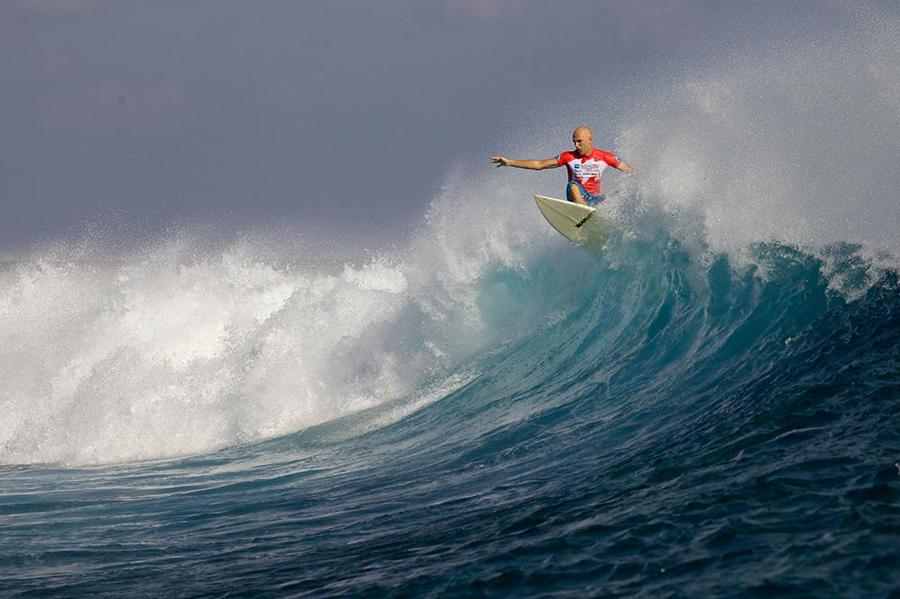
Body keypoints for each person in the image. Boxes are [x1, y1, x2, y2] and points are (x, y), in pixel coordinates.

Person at [490, 126, 633, 206]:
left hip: (593, 200)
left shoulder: (605, 157)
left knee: (618, 195)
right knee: (573, 185)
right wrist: (510, 162)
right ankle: (582, 212)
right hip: (576, 198)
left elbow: (628, 170)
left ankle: (593, 214)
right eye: (574, 142)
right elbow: (539, 164)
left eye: (579, 141)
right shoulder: (568, 157)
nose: (576, 145)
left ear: (590, 140)